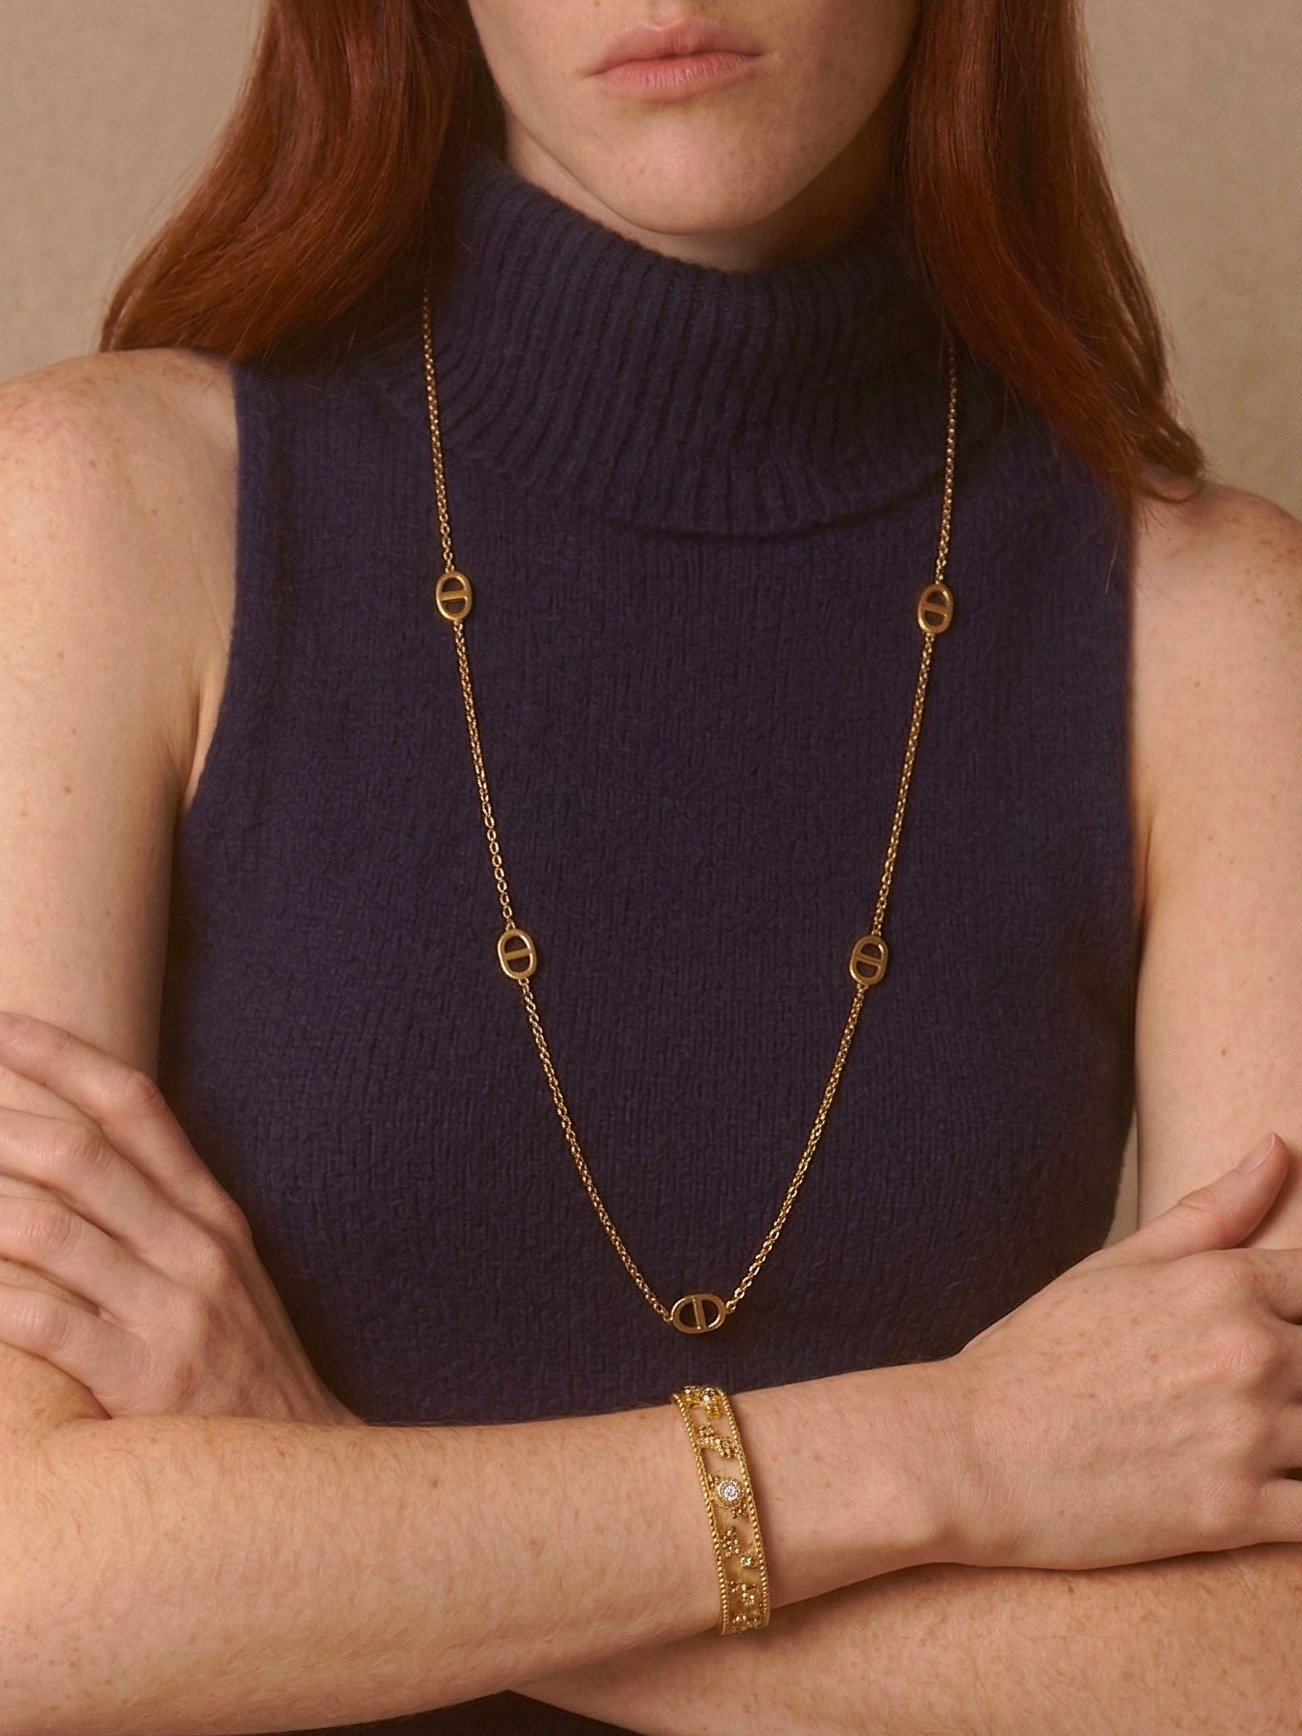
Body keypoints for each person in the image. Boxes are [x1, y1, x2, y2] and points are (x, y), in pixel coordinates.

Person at [0, 1, 1299, 1731]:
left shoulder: (1219, 631)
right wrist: (951, 1452)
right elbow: (24, 1594)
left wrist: (328, 1491)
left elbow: (1265, 1662)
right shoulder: (98, 515)